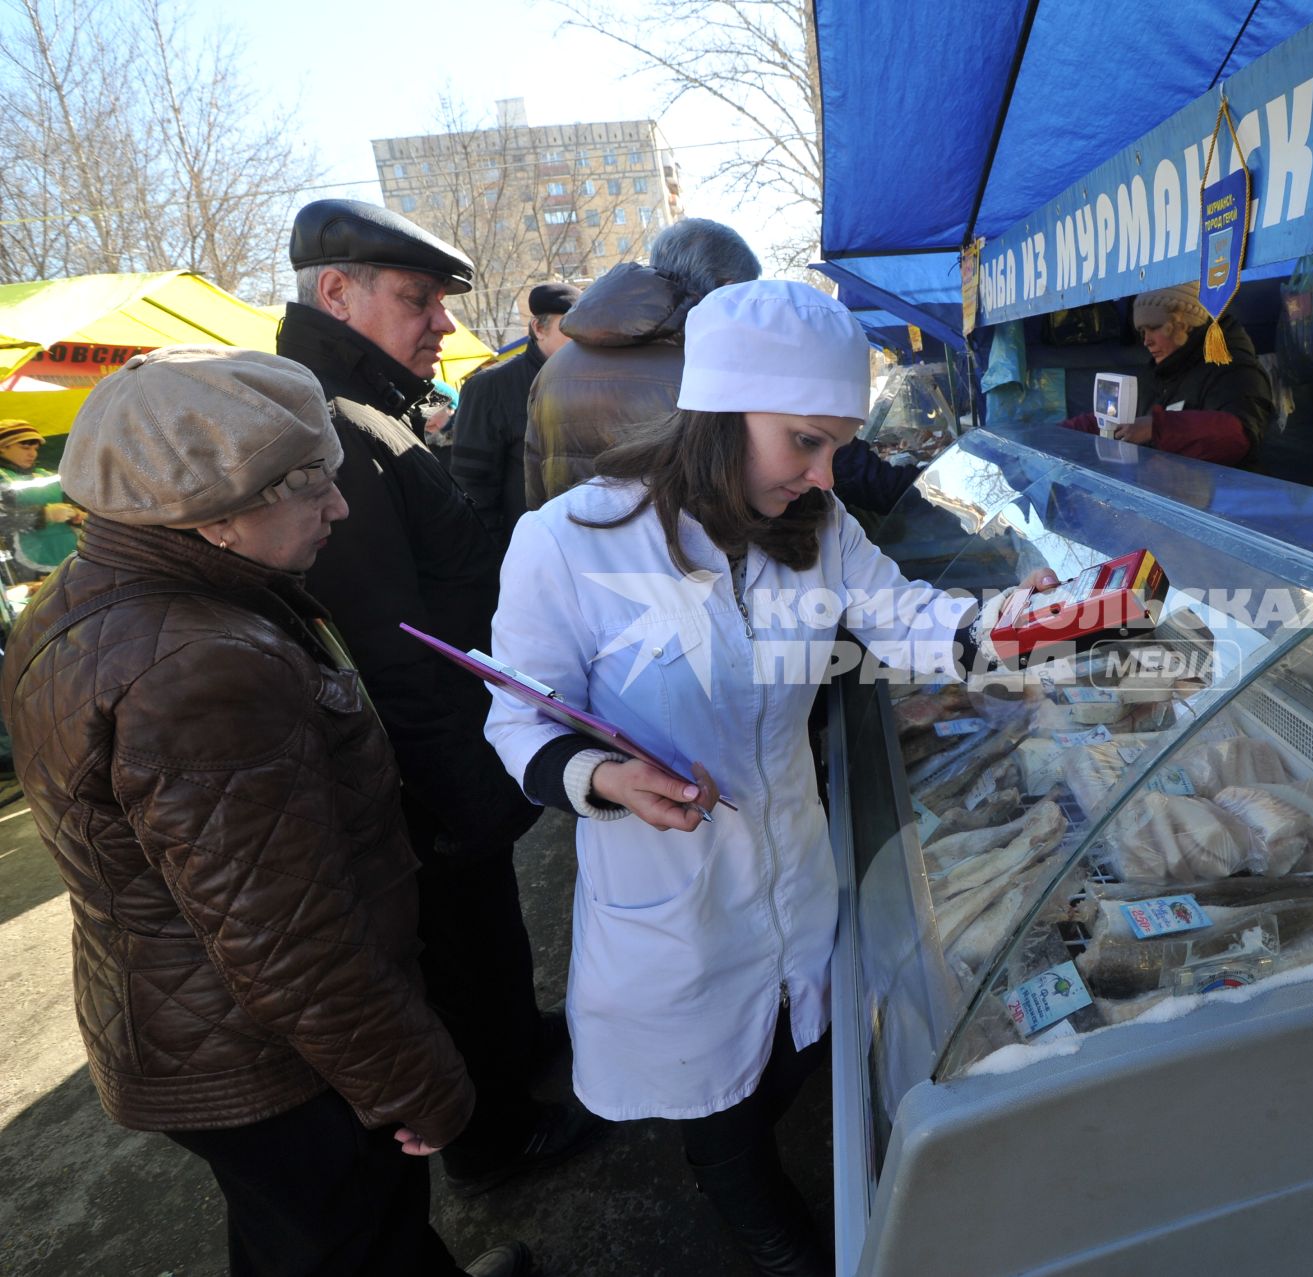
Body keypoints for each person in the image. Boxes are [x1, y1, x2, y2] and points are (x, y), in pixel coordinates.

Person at [485, 280, 1055, 1275]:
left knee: (791, 1050)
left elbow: (910, 620)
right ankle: (763, 1220)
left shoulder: (818, 529)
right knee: (718, 1104)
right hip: (674, 887)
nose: (827, 472)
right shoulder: (571, 542)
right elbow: (518, 714)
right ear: (718, 413)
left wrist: (1013, 622)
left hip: (793, 858)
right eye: (806, 441)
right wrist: (604, 777)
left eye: (837, 443)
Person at [0, 346, 531, 1277]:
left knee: (314, 1231)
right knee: (346, 1232)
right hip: (273, 1057)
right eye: (311, 484)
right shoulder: (200, 670)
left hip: (195, 1024)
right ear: (212, 515)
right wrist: (415, 1078)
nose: (339, 505)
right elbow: (289, 939)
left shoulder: (98, 594)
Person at [277, 198, 600, 1201]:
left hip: (461, 752)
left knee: (488, 934)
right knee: (455, 945)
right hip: (431, 775)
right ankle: (494, 1132)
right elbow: (391, 651)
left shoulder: (368, 409)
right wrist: (464, 799)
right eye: (418, 299)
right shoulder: (333, 424)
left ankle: (517, 1045)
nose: (445, 323)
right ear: (338, 293)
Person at [523, 217, 761, 510]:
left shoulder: (552, 370)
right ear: (729, 288)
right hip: (684, 553)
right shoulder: (711, 368)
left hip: (576, 547)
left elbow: (537, 490)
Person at [1058, 281, 1274, 466]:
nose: (1146, 341)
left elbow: (1238, 436)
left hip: (1219, 506)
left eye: (1154, 327)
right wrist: (1054, 434)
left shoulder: (1234, 372)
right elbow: (1119, 422)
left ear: (1184, 325)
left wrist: (1157, 428)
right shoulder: (1159, 373)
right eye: (1142, 331)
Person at [451, 282, 578, 553]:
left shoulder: (589, 379)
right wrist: (499, 562)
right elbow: (472, 487)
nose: (579, 336)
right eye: (568, 326)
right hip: (526, 552)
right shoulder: (490, 387)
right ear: (538, 328)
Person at [0, 420, 86, 576]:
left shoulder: (46, 474)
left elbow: (68, 501)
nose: (32, 453)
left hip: (69, 552)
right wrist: (44, 514)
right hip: (24, 565)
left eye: (35, 448)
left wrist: (75, 513)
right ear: (2, 448)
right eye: (25, 447)